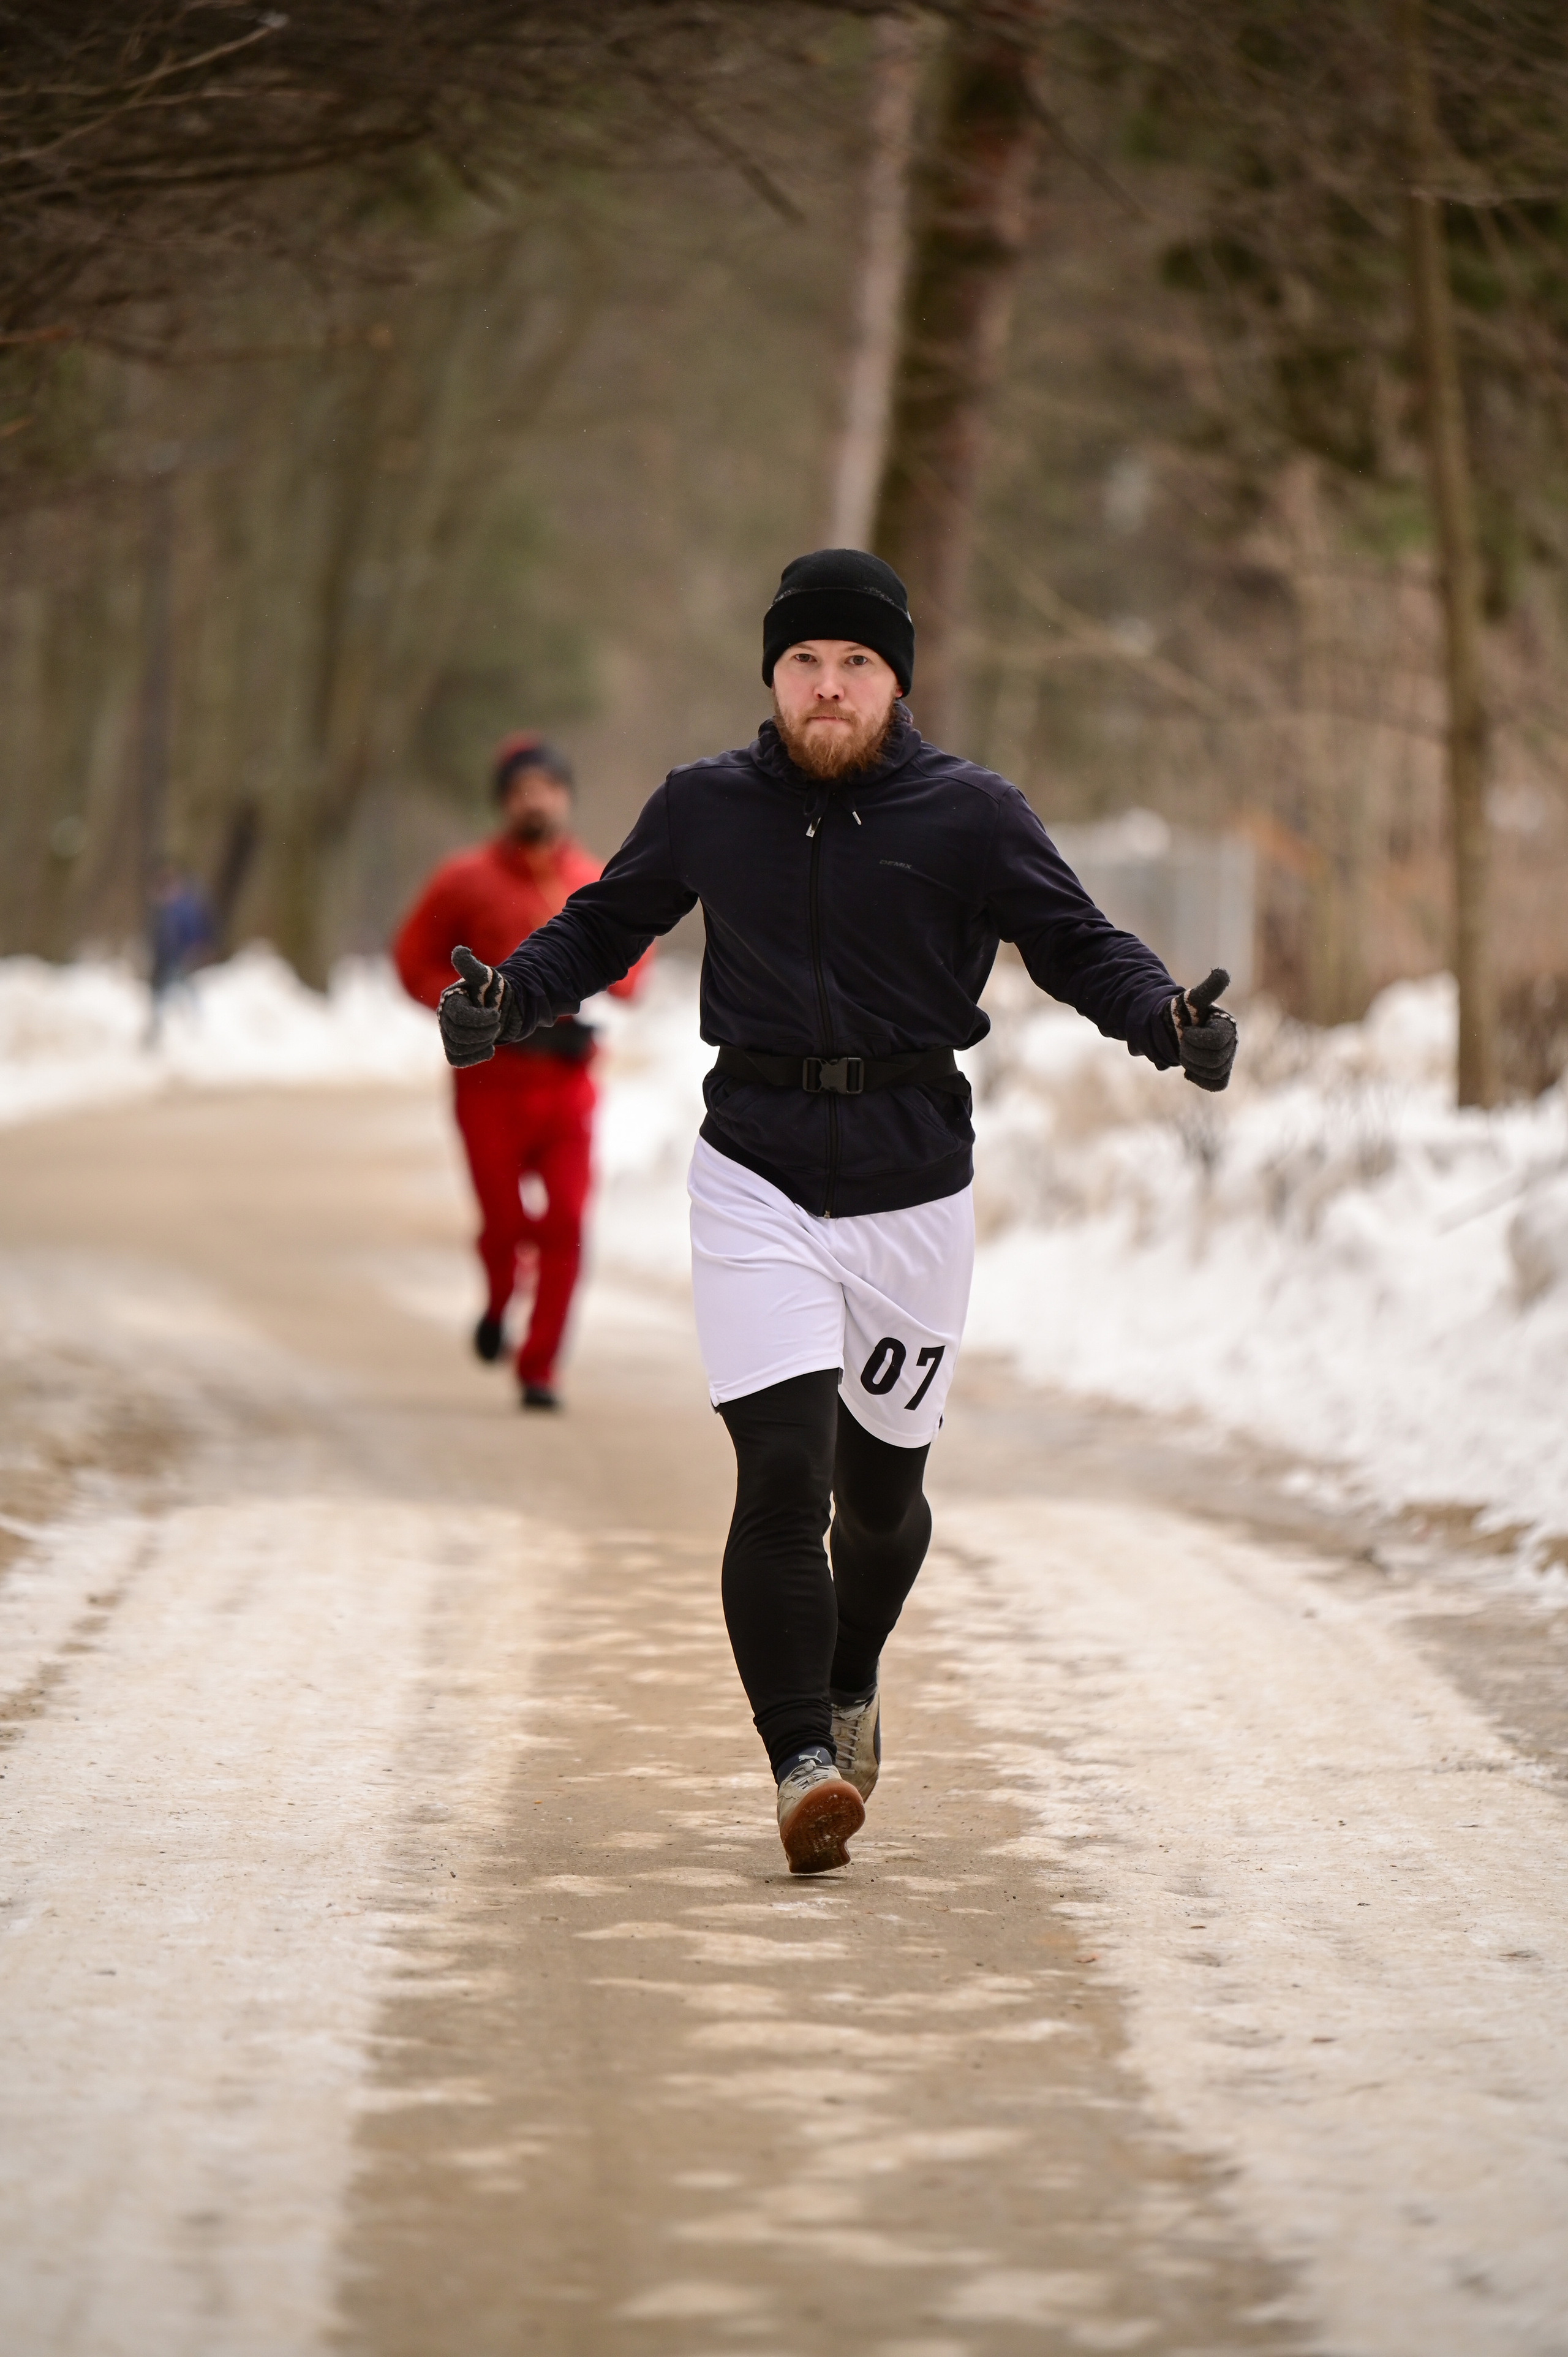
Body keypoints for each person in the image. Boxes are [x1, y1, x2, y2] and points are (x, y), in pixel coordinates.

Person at [435, 551, 1237, 1871]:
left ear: (894, 682)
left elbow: (1075, 941)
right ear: (771, 676)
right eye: (804, 663)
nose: (827, 688)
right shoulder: (704, 805)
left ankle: (852, 1668)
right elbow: (600, 925)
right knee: (782, 1472)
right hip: (753, 1169)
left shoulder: (970, 816)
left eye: (854, 665)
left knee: (877, 1499)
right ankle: (801, 1758)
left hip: (911, 1184)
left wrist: (1165, 1020)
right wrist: (510, 999)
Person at [394, 733, 651, 1409]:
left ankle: (539, 1366)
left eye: (547, 788)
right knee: (506, 1222)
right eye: (521, 790)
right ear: (504, 803)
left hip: (569, 1079)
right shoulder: (464, 879)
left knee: (566, 1219)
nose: (535, 800)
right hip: (491, 1079)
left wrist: (622, 976)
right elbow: (411, 959)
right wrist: (454, 1004)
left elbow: (633, 967)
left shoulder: (593, 880)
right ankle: (502, 1295)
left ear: (566, 798)